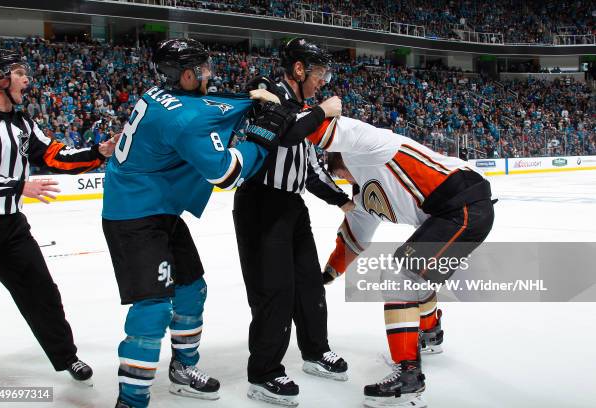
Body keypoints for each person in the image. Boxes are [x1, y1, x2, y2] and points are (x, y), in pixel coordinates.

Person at [101, 38, 293, 408]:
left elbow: (204, 104)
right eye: (203, 69)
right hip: (134, 216)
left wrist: (246, 96)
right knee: (153, 307)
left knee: (192, 290)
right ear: (186, 75)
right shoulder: (183, 119)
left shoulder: (161, 93)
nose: (209, 75)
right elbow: (224, 173)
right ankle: (132, 399)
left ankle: (183, 369)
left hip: (159, 208)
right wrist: (263, 136)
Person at [309, 116, 494, 408]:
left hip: (464, 204)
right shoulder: (363, 198)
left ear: (343, 157)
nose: (348, 181)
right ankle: (430, 332)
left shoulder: (370, 146)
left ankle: (408, 377)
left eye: (343, 174)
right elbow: (353, 239)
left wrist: (295, 111)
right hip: (455, 213)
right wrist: (329, 273)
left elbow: (326, 129)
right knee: (415, 273)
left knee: (399, 276)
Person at [0, 49, 117, 384]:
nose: (26, 79)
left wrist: (96, 152)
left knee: (41, 291)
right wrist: (17, 186)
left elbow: (52, 153)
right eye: (17, 72)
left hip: (10, 226)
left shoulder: (23, 122)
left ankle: (65, 357)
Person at [232, 37, 353, 406]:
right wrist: (322, 112)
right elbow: (284, 133)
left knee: (308, 285)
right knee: (275, 290)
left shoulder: (301, 107)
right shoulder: (267, 95)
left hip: (291, 207)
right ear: (298, 69)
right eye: (318, 72)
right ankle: (264, 373)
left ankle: (316, 351)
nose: (323, 80)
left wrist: (343, 202)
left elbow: (310, 169)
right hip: (261, 206)